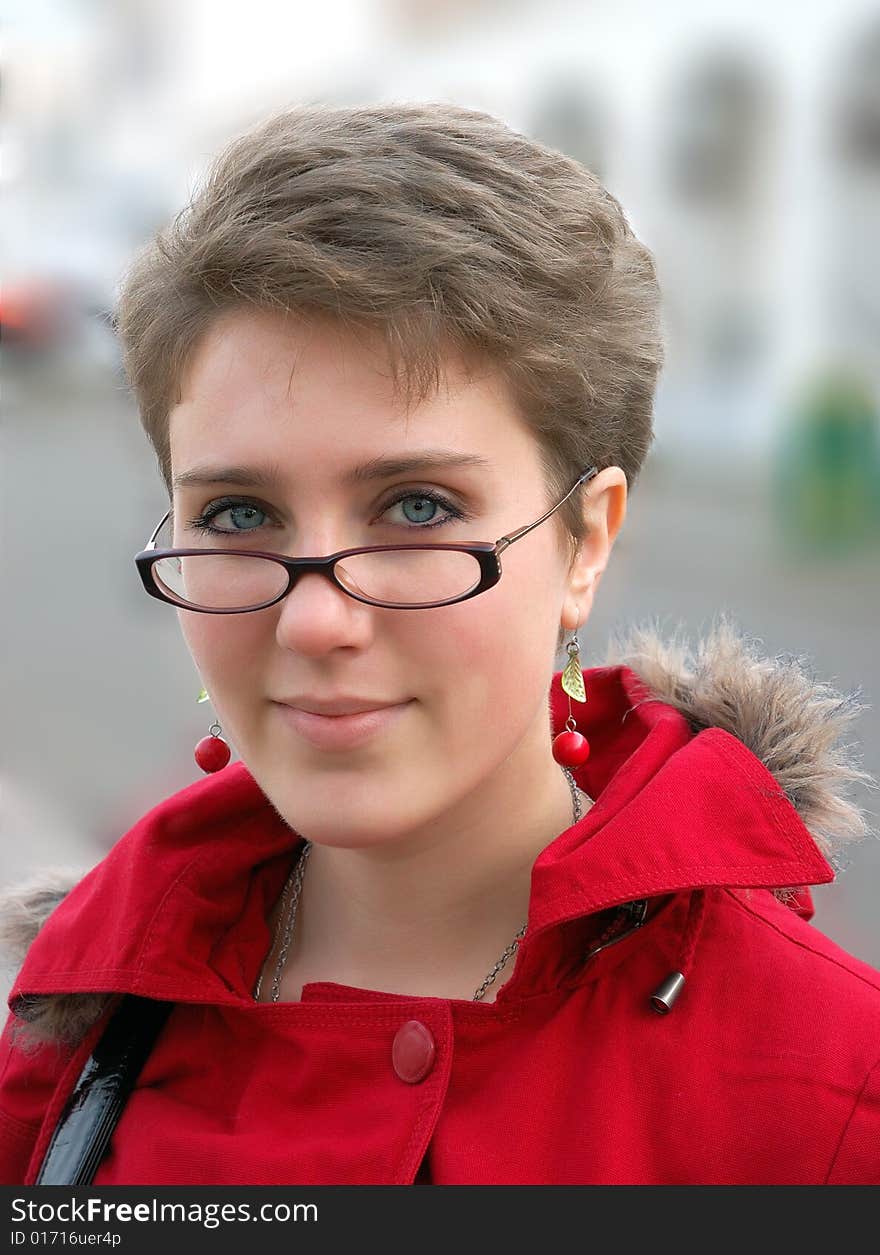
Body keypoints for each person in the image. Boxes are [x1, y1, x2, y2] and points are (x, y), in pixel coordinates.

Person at [1, 101, 878, 1187]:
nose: (317, 620)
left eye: (416, 507)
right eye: (236, 513)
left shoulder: (829, 1095)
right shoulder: (78, 1022)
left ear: (585, 540)